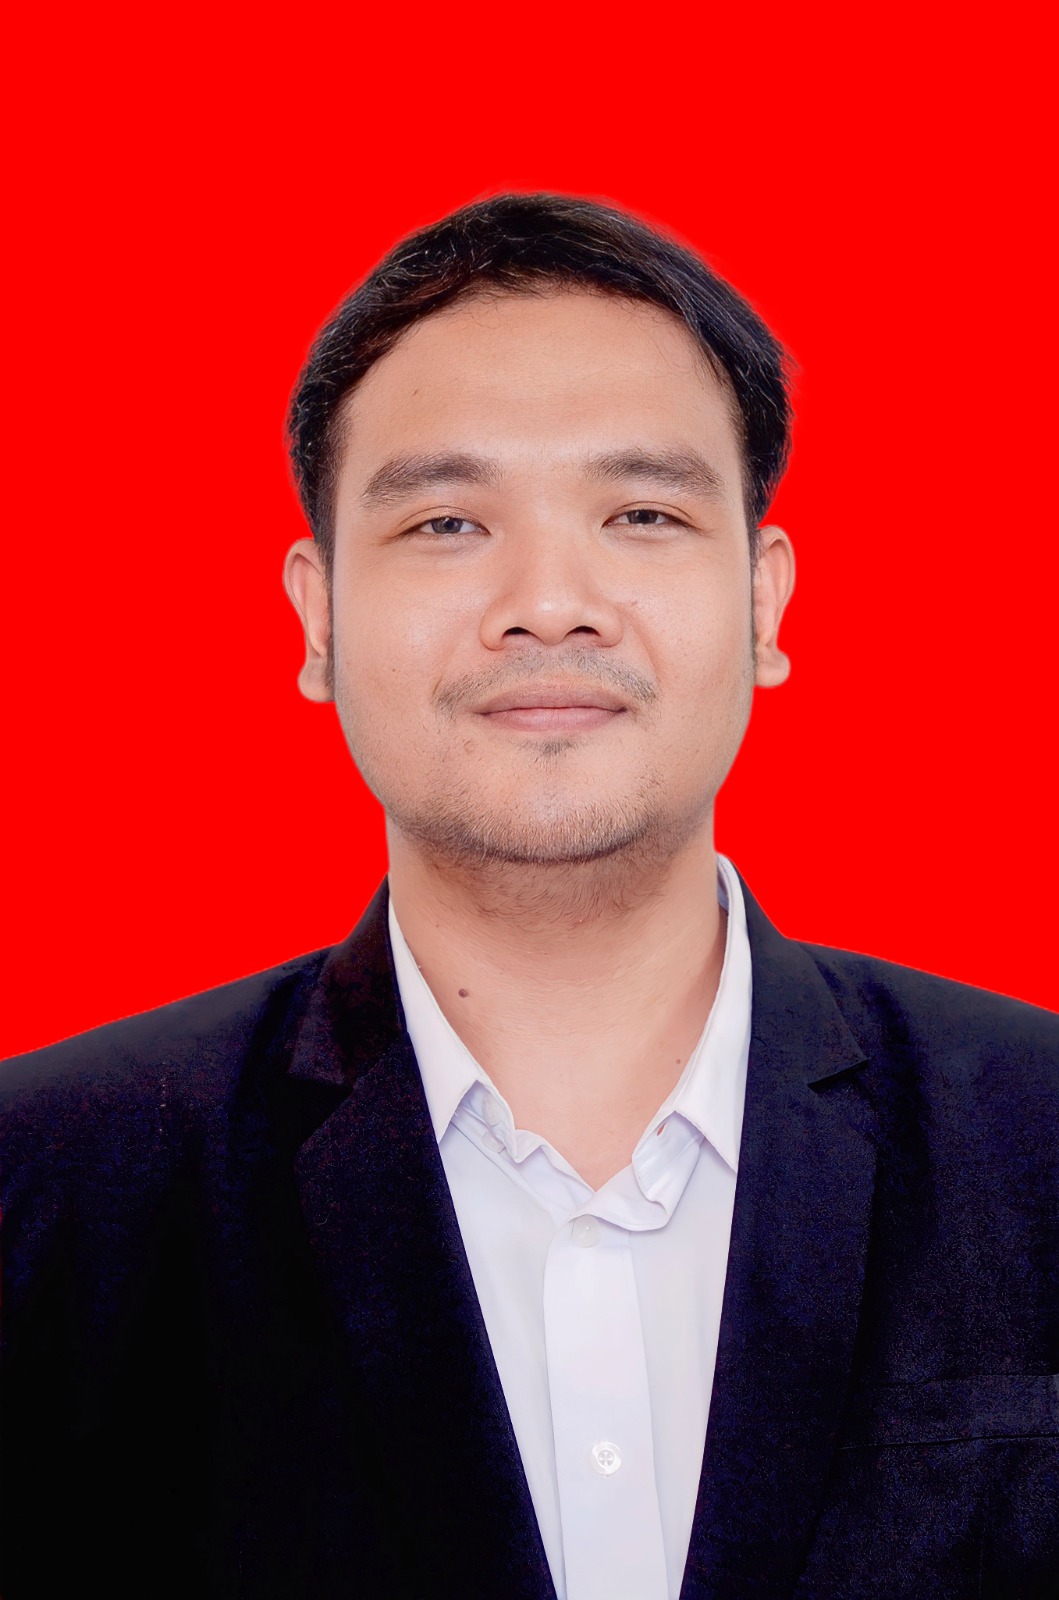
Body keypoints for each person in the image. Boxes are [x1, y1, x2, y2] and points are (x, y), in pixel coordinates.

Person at [1, 193, 1056, 1600]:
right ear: (317, 617)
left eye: (642, 513)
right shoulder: (45, 1191)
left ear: (764, 599)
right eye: (446, 522)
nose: (550, 602)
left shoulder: (1039, 1136)